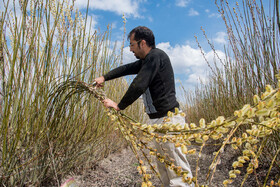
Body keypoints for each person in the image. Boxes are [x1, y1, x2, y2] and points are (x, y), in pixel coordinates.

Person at [95, 26, 193, 187]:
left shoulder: (156, 56)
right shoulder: (146, 61)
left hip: (169, 120)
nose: (130, 49)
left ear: (143, 43)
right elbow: (126, 69)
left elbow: (139, 84)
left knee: (177, 168)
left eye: (132, 45)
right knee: (164, 166)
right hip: (158, 120)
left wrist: (119, 106)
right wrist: (104, 77)